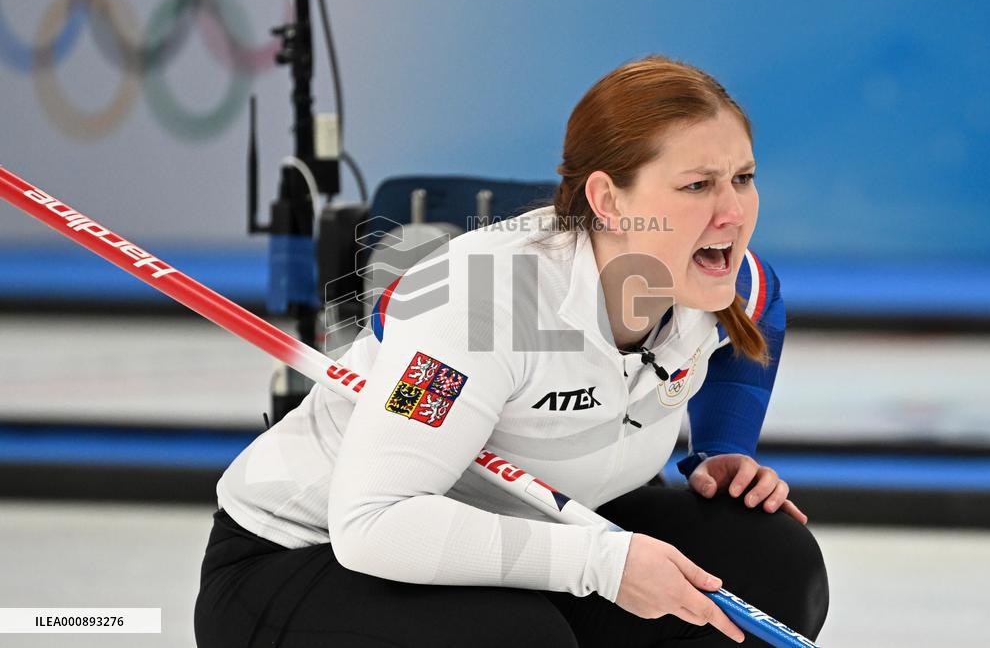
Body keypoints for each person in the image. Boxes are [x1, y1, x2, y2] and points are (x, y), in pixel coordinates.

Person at [194, 54, 829, 647]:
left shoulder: (724, 277)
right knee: (518, 639)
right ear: (608, 201)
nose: (733, 212)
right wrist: (603, 565)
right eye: (697, 186)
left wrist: (722, 450)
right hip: (302, 558)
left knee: (772, 565)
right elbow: (373, 524)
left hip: (531, 527)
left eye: (743, 178)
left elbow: (759, 311)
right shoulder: (473, 309)